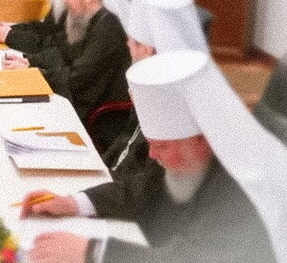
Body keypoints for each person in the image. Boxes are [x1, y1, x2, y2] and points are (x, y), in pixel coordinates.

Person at [26, 50, 284, 263]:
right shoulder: (195, 154)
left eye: (161, 145)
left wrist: (93, 252)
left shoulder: (246, 182)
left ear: (203, 140)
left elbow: (198, 259)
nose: (151, 154)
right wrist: (74, 203)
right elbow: (143, 189)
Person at [21, 0, 211, 222]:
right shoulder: (153, 82)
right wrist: (94, 172)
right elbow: (126, 145)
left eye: (135, 43)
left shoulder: (181, 111)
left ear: (151, 50)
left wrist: (78, 200)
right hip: (115, 185)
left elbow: (149, 189)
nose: (128, 47)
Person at [0, 0, 131, 149]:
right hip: (76, 96)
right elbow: (61, 50)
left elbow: (77, 80)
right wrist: (30, 62)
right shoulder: (85, 19)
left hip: (93, 112)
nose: (66, 0)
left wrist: (35, 73)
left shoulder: (109, 26)